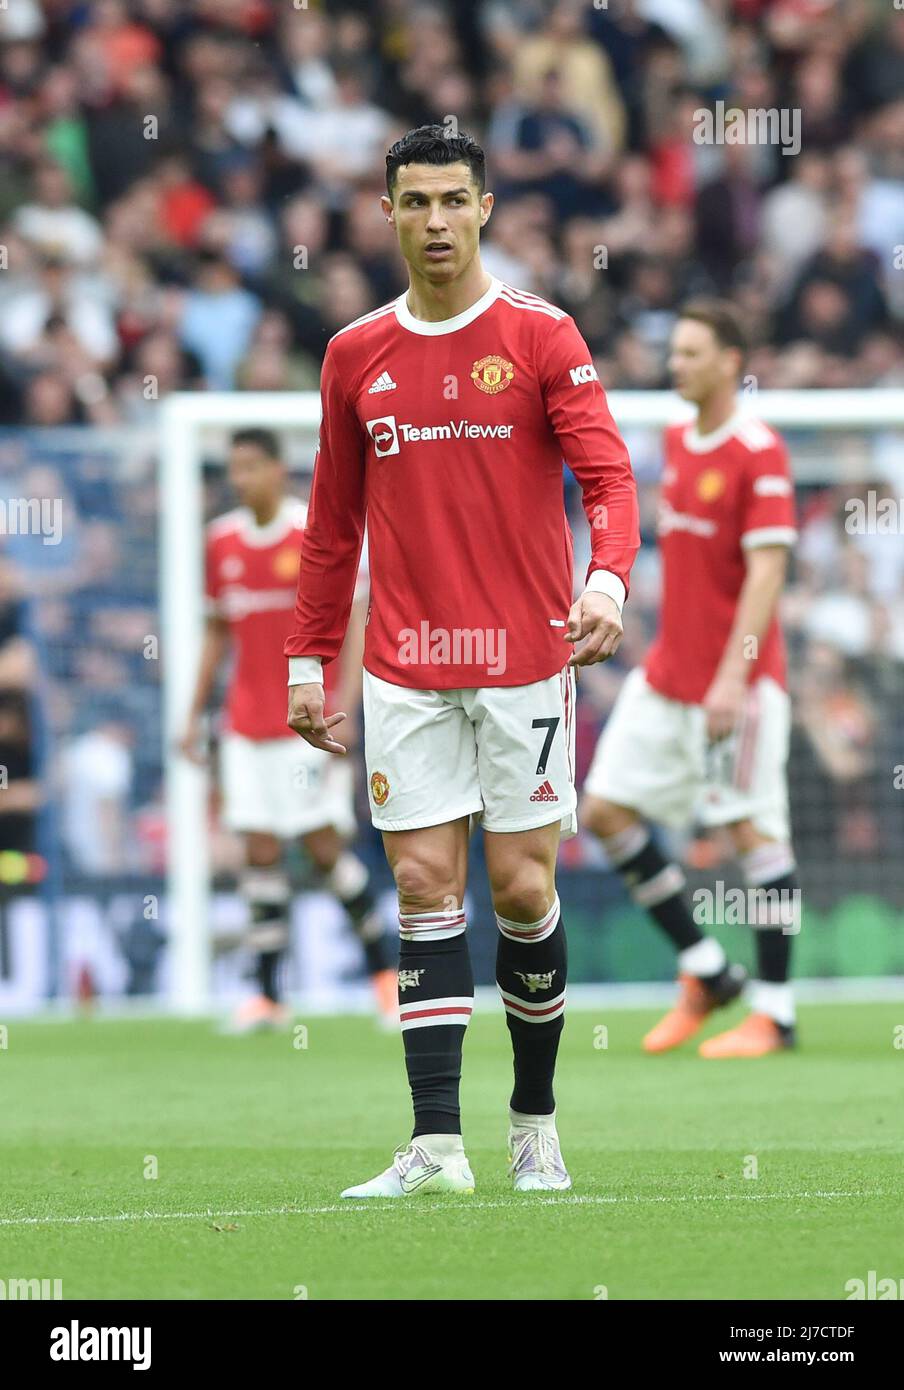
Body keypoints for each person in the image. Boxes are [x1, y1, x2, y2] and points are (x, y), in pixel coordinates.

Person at [285, 126, 639, 1197]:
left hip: (522, 660)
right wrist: (308, 660)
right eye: (413, 202)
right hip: (403, 664)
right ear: (386, 213)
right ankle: (436, 1145)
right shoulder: (354, 354)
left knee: (524, 891)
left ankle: (533, 1119)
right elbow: (329, 523)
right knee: (422, 884)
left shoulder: (539, 335)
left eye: (452, 200)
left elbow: (610, 478)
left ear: (484, 208)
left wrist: (606, 581)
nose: (434, 221)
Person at [581, 299, 800, 1059]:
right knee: (605, 810)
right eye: (673, 352)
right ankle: (707, 970)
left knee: (752, 834)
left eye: (690, 353)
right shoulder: (675, 439)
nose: (675, 365)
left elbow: (768, 570)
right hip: (668, 676)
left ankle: (775, 1011)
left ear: (730, 363)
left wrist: (735, 680)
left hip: (733, 684)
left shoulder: (757, 448)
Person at [180, 428, 397, 1031]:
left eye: (252, 466)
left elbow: (355, 618)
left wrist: (346, 700)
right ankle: (270, 997)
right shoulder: (219, 542)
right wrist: (192, 716)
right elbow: (216, 634)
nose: (241, 478)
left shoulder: (311, 534)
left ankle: (387, 980)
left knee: (323, 847)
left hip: (307, 722)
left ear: (279, 470)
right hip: (245, 723)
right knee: (259, 850)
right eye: (235, 467)